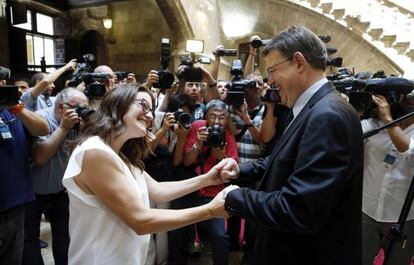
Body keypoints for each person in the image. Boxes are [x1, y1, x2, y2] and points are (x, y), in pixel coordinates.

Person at [216, 25, 364, 265]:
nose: (270, 81)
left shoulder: (327, 115)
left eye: (273, 70)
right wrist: (240, 170)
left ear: (298, 62)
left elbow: (299, 209)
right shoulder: (313, 107)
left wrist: (236, 196)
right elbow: (285, 161)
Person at [62, 83, 235, 265]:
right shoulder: (95, 152)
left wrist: (208, 179)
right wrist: (210, 210)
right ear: (118, 104)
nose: (150, 115)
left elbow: (156, 189)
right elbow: (140, 220)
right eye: (143, 105)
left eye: (151, 110)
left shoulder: (118, 152)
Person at [22, 88, 88, 265]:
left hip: (60, 192)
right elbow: (40, 157)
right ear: (61, 107)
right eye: (79, 108)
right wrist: (64, 128)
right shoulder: (41, 120)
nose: (82, 112)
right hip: (32, 194)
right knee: (29, 242)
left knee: (64, 240)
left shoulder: (77, 123)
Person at [361, 94, 414, 265]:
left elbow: (407, 150)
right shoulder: (372, 123)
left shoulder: (387, 119)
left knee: (397, 261)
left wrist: (388, 119)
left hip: (402, 215)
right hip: (366, 209)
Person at [0, 80, 49, 264]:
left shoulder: (13, 111)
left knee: (12, 258)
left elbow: (43, 128)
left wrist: (15, 106)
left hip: (16, 202)